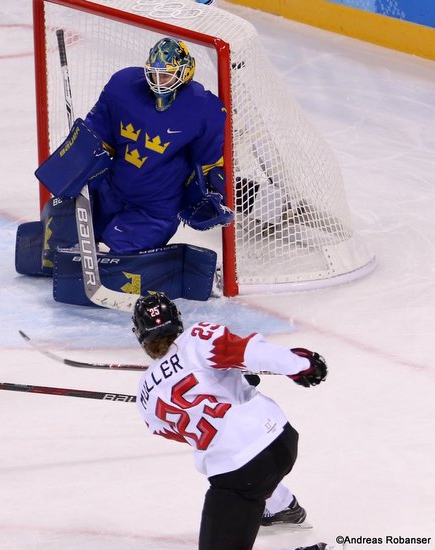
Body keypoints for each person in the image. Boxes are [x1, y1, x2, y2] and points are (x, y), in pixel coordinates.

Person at [132, 292, 329, 550]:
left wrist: (204, 402)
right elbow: (249, 352)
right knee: (251, 462)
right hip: (280, 438)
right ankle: (282, 506)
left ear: (140, 336)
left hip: (239, 473)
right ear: (177, 320)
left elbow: (179, 431)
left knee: (238, 457)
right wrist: (301, 365)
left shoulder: (145, 396)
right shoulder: (198, 338)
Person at [82, 36, 233, 255]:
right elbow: (98, 136)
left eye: (167, 76)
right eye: (155, 74)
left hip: (155, 210)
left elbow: (208, 163)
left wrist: (215, 194)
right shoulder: (124, 87)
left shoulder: (203, 109)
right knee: (66, 228)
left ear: (185, 73)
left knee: (119, 252)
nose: (159, 82)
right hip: (112, 192)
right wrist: (77, 162)